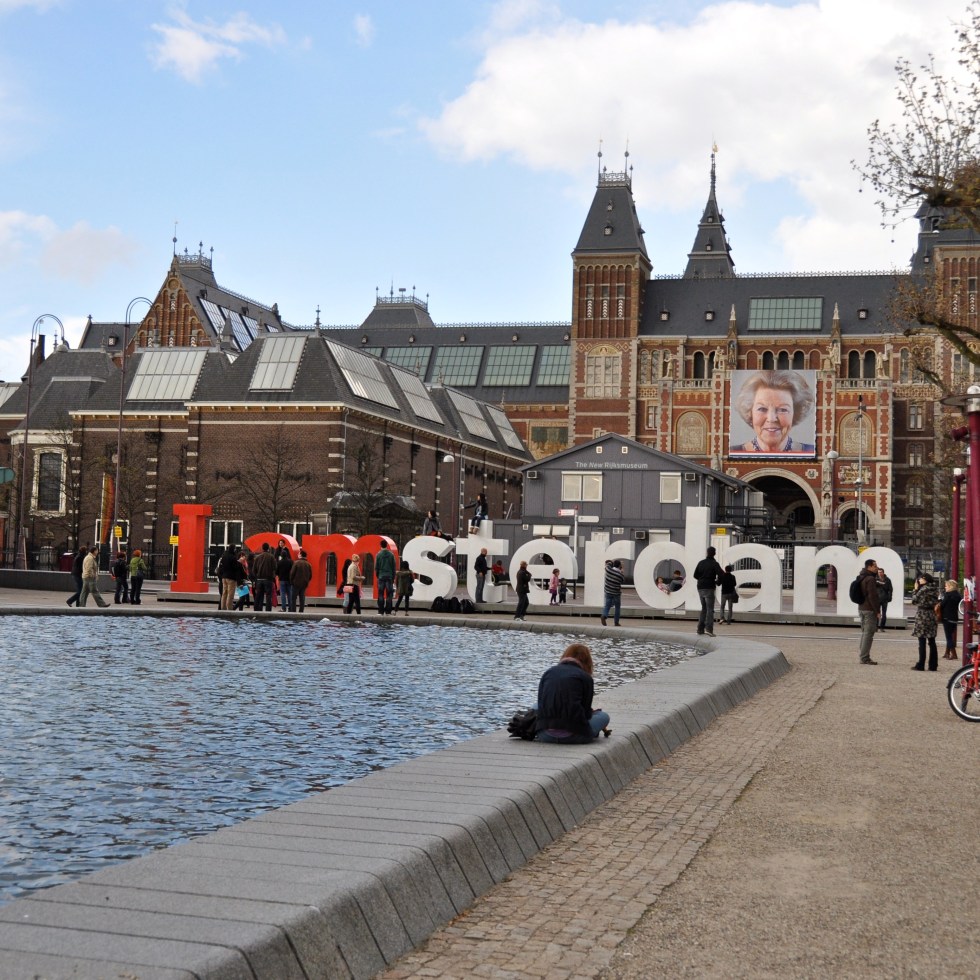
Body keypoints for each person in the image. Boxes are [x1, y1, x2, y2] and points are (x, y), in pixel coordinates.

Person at [534, 643, 611, 744]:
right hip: (575, 735)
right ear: (588, 662)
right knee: (603, 716)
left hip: (545, 734)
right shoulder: (585, 678)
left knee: (535, 705)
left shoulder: (548, 672)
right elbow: (586, 714)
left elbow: (540, 704)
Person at [734, 370, 816, 453]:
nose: (771, 418)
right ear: (750, 413)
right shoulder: (733, 452)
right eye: (762, 409)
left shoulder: (812, 452)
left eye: (783, 410)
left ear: (795, 413)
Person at [911, 572, 941, 671]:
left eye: (920, 578)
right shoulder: (935, 589)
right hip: (931, 615)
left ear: (925, 579)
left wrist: (915, 589)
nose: (919, 580)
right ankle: (933, 665)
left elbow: (914, 600)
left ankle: (921, 664)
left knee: (922, 640)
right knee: (932, 641)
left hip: (922, 615)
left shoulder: (923, 589)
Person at [693, 546, 723, 636]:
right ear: (714, 553)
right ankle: (709, 629)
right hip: (709, 587)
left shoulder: (701, 563)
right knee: (710, 609)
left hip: (700, 587)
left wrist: (702, 579)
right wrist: (717, 582)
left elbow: (695, 575)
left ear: (707, 552)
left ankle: (700, 629)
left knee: (703, 608)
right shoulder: (715, 563)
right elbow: (721, 574)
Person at [856, 558, 880, 665]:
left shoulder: (861, 576)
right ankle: (864, 658)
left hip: (861, 608)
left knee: (864, 633)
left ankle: (862, 655)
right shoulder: (870, 579)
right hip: (869, 609)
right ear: (869, 567)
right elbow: (872, 596)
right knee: (868, 634)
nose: (877, 568)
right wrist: (877, 611)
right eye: (875, 566)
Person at [940, 578, 963, 660]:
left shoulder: (948, 595)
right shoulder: (958, 595)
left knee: (948, 637)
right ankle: (947, 652)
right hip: (954, 618)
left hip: (946, 617)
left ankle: (954, 654)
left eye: (946, 586)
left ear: (950, 586)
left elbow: (942, 605)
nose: (945, 587)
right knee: (950, 635)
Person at [251, 542, 277, 612]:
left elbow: (253, 570)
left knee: (259, 595)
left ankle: (257, 609)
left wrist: (257, 576)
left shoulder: (257, 557)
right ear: (268, 548)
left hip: (259, 579)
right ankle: (268, 610)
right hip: (268, 579)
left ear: (262, 548)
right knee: (268, 595)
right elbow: (275, 568)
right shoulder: (271, 557)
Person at [216, 544, 242, 611]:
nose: (235, 550)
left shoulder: (224, 556)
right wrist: (239, 562)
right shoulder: (233, 557)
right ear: (233, 549)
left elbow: (221, 567)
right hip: (231, 578)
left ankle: (223, 608)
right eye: (235, 549)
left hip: (224, 577)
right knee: (230, 595)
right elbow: (235, 568)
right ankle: (229, 609)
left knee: (224, 594)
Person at [375, 539, 396, 614]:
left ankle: (380, 611)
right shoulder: (391, 555)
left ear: (380, 545)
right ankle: (388, 611)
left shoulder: (378, 554)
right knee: (389, 594)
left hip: (381, 576)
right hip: (389, 576)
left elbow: (376, 567)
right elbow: (394, 567)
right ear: (387, 545)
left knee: (380, 594)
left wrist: (378, 575)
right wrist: (393, 577)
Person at [601, 559, 624, 626]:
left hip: (608, 591)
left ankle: (604, 615)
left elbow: (608, 563)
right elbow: (622, 581)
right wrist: (622, 570)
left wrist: (611, 561)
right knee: (617, 607)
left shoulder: (608, 570)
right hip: (616, 593)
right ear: (619, 566)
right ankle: (616, 622)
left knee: (607, 605)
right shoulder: (620, 575)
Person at [876, 566, 894, 631]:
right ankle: (876, 627)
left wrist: (889, 597)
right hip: (877, 598)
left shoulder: (887, 580)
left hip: (884, 599)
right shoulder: (875, 579)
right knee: (877, 613)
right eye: (878, 572)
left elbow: (890, 589)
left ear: (883, 573)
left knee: (884, 613)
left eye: (881, 572)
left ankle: (882, 627)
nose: (880, 573)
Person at [276, 546, 294, 612]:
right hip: (289, 580)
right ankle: (290, 608)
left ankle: (283, 608)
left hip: (282, 580)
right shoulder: (291, 562)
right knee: (289, 594)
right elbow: (293, 570)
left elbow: (276, 572)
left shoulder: (279, 562)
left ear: (281, 555)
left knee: (283, 594)